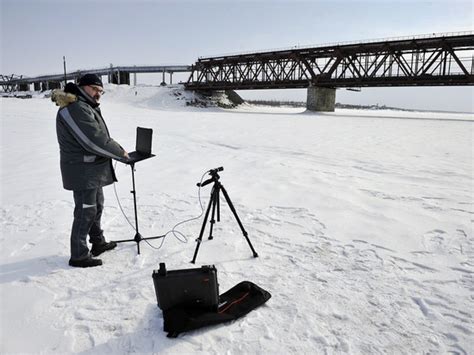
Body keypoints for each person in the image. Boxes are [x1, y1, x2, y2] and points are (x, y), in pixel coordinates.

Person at [52, 73, 129, 268]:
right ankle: (78, 254)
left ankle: (98, 242)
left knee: (97, 206)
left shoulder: (84, 105)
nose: (98, 94)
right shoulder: (75, 108)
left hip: (92, 169)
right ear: (83, 87)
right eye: (95, 89)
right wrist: (120, 153)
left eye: (101, 91)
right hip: (82, 171)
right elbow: (92, 139)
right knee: (86, 211)